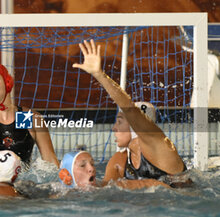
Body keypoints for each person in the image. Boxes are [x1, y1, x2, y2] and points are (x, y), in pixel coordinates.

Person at [72, 40, 188, 188]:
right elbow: (104, 191)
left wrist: (99, 75)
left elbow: (128, 108)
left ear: (134, 126)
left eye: (120, 121)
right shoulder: (119, 161)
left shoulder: (161, 146)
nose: (114, 128)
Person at [58, 150, 170, 190]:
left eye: (92, 164)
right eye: (83, 166)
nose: (91, 168)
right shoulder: (58, 196)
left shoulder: (107, 187)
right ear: (67, 175)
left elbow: (151, 183)